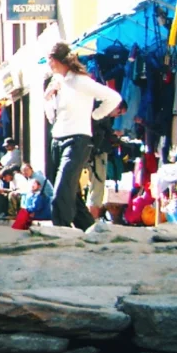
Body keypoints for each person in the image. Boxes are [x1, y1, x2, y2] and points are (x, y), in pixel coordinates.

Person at [44, 42, 123, 230]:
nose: (49, 65)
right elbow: (51, 114)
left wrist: (95, 116)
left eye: (50, 61)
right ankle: (88, 229)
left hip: (77, 139)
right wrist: (48, 98)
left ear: (56, 60)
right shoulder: (57, 81)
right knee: (68, 192)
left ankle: (60, 230)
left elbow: (113, 98)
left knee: (61, 192)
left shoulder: (81, 81)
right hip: (57, 139)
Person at [87, 101, 125, 220]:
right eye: (119, 112)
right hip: (97, 154)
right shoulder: (102, 116)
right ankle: (92, 220)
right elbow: (104, 134)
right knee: (97, 187)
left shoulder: (99, 114)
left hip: (91, 152)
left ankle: (92, 218)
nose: (117, 116)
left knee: (95, 187)